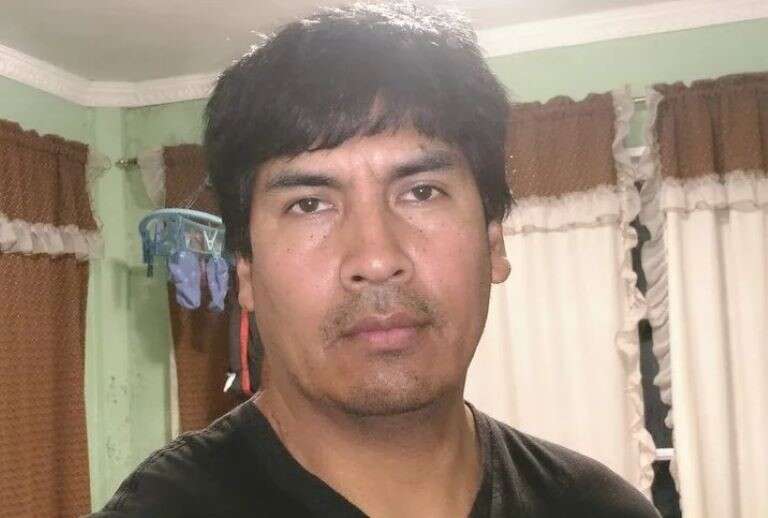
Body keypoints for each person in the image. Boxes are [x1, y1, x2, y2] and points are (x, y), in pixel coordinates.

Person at [92, 3, 660, 517]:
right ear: (246, 272)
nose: (377, 258)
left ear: (494, 242)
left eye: (421, 192)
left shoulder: (601, 508)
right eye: (309, 204)